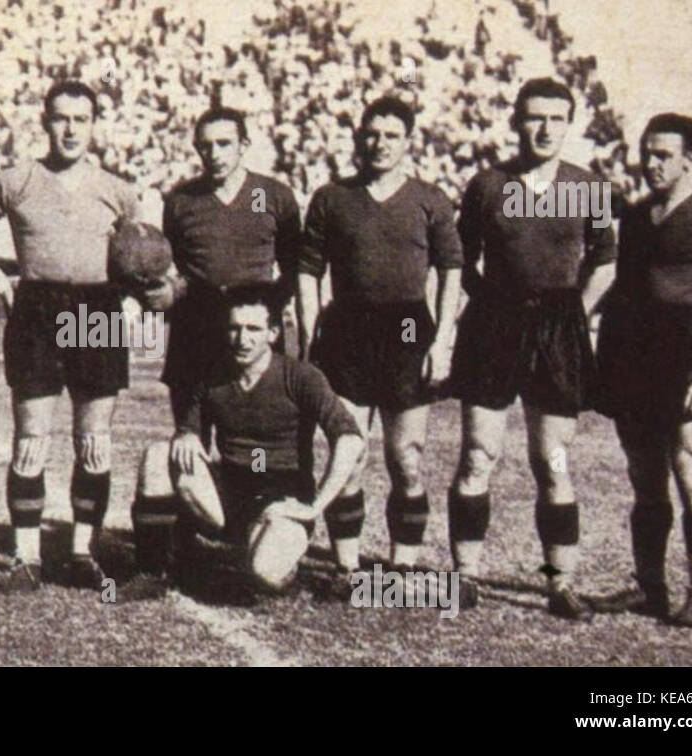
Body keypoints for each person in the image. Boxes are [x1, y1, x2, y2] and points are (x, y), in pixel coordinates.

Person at [449, 78, 616, 618]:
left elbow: (606, 260)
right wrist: (491, 304)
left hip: (558, 328)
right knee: (479, 454)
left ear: (570, 124)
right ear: (516, 121)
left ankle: (559, 582)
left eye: (555, 118)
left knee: (553, 460)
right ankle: (465, 575)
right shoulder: (487, 184)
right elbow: (462, 260)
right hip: (495, 325)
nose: (544, 128)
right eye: (533, 117)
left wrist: (574, 312)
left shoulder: (587, 186)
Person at [0, 80, 142, 592]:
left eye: (80, 119)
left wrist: (140, 291)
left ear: (93, 125)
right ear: (45, 122)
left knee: (95, 442)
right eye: (61, 118)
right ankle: (26, 557)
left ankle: (82, 551)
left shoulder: (118, 189)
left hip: (98, 307)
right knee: (30, 442)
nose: (70, 129)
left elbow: (140, 254)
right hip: (38, 308)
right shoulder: (15, 180)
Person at [593, 114, 692, 627]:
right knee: (644, 476)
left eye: (664, 154)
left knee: (690, 465)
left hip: (691, 345)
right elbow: (621, 285)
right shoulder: (635, 217)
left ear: (690, 159)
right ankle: (650, 588)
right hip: (634, 349)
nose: (653, 162)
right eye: (647, 151)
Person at [298, 96, 462, 580]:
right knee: (348, 453)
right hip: (346, 329)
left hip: (408, 329)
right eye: (372, 133)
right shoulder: (332, 198)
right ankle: (347, 565)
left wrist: (443, 340)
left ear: (408, 142)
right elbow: (307, 272)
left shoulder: (430, 198)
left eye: (391, 135)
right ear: (358, 138)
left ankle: (403, 564)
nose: (380, 143)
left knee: (405, 456)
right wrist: (311, 336)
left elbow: (451, 270)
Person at [127, 283, 365, 599]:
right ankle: (153, 570)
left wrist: (313, 507)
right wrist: (185, 434)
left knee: (265, 573)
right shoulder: (212, 375)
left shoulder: (301, 377)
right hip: (228, 496)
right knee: (159, 456)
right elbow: (189, 431)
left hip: (280, 501)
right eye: (235, 328)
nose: (243, 339)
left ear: (273, 333)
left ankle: (277, 557)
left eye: (254, 329)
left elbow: (350, 441)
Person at [160, 106, 302, 422]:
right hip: (195, 330)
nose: (215, 153)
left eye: (224, 143)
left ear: (244, 145)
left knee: (256, 435)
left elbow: (294, 268)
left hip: (251, 331)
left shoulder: (271, 195)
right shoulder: (181, 200)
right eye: (206, 145)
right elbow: (177, 268)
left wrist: (269, 309)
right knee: (191, 438)